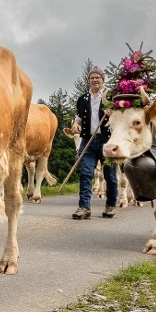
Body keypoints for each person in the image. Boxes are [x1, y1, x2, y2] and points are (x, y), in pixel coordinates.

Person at [70, 66, 118, 219]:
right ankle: (84, 207)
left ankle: (110, 205)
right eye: (92, 78)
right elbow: (78, 118)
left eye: (98, 77)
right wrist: (76, 125)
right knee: (85, 173)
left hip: (107, 141)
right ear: (89, 80)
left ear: (103, 80)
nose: (95, 80)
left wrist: (113, 113)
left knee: (109, 175)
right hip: (88, 141)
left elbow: (122, 116)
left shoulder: (112, 97)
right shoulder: (83, 99)